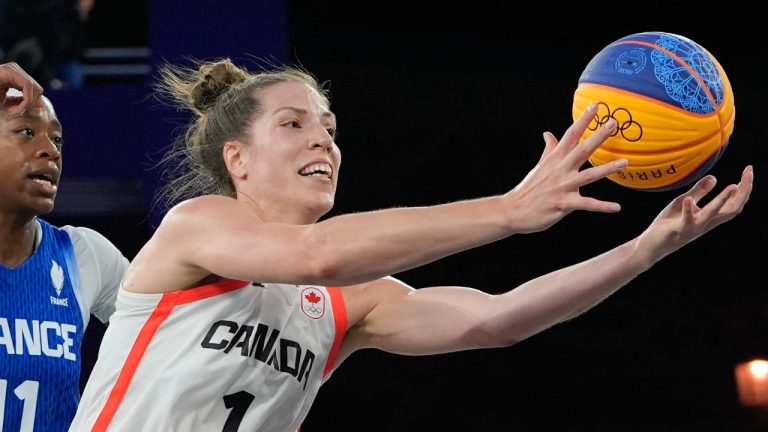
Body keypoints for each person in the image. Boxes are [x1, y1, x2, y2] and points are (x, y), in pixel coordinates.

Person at [70, 58, 753, 432]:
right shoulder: (197, 224)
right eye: (294, 123)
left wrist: (645, 250)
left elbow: (494, 319)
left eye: (330, 128)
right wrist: (510, 210)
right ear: (238, 160)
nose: (323, 140)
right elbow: (319, 254)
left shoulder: (339, 304)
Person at [0, 62, 128, 432]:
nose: (49, 151)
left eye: (56, 139)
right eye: (26, 132)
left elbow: (173, 329)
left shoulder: (85, 254)